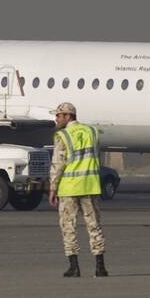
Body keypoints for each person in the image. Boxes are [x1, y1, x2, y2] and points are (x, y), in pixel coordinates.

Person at [48, 102, 107, 278]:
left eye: (58, 115)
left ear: (68, 116)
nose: (56, 119)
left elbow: (58, 164)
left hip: (69, 188)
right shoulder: (92, 132)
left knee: (68, 226)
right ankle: (100, 266)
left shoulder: (63, 136)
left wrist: (52, 188)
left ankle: (74, 267)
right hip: (90, 185)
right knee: (94, 225)